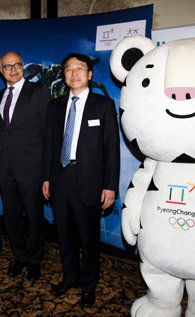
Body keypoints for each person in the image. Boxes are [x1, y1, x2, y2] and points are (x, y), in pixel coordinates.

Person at [42, 53, 120, 308]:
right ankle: (70, 278)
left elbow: (112, 150)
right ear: (64, 75)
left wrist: (110, 185)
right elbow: (50, 147)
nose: (73, 73)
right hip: (60, 179)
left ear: (89, 74)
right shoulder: (54, 107)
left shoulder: (103, 105)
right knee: (64, 237)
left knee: (89, 240)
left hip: (90, 182)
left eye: (79, 68)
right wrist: (46, 178)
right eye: (68, 69)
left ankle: (89, 286)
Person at [0, 52, 51, 281]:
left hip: (32, 168)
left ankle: (35, 260)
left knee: (34, 216)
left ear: (23, 66)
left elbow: (49, 134)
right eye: (7, 66)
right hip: (5, 168)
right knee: (11, 217)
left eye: (17, 64)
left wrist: (47, 173)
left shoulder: (39, 92)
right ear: (1, 70)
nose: (13, 69)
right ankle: (20, 256)